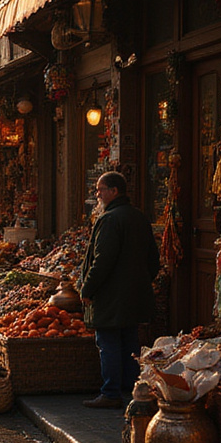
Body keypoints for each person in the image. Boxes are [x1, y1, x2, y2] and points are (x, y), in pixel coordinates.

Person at [79, 171, 161, 409]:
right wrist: (142, 281)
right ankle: (133, 387)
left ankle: (111, 392)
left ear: (114, 191)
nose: (98, 195)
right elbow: (153, 259)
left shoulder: (110, 219)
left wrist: (88, 288)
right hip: (134, 293)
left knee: (109, 342)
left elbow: (102, 260)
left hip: (111, 295)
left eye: (100, 190)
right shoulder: (138, 217)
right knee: (129, 340)